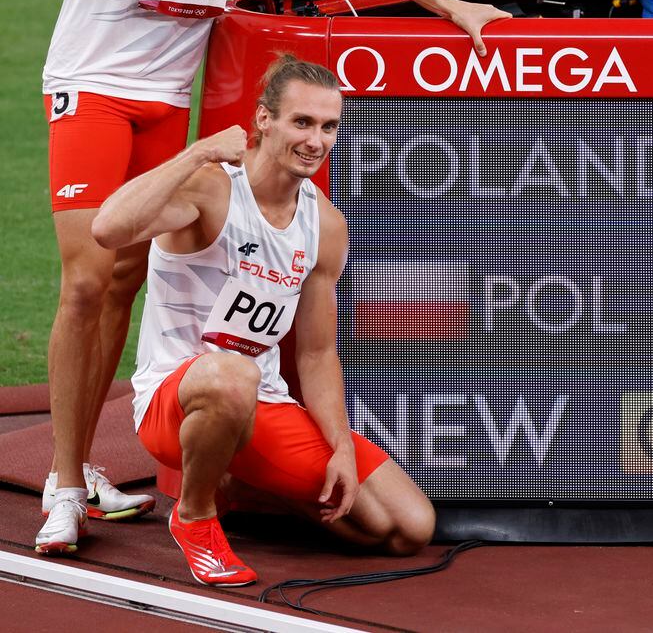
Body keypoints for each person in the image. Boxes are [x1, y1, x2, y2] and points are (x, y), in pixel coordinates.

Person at [29, 0, 506, 555]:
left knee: (126, 281)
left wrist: (450, 7)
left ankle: (89, 471)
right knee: (86, 278)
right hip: (95, 87)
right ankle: (65, 483)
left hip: (164, 99)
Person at [81, 55, 435, 585]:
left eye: (328, 126)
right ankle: (195, 516)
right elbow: (108, 229)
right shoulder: (211, 188)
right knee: (232, 371)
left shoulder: (325, 225)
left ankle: (243, 487)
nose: (317, 140)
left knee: (408, 526)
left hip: (262, 405)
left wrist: (339, 444)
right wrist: (197, 152)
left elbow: (316, 354)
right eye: (302, 122)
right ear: (263, 120)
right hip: (174, 401)